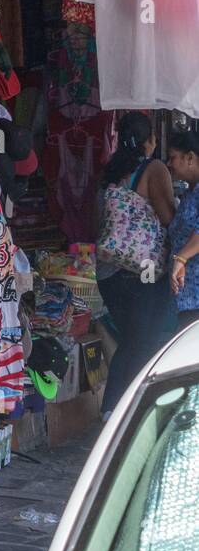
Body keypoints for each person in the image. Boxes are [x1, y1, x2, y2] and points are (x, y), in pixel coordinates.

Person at [97, 112, 177, 416]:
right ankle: (119, 412)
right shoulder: (153, 168)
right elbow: (168, 218)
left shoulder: (111, 171)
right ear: (151, 140)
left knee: (133, 339)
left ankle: (117, 410)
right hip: (140, 270)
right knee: (141, 341)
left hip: (108, 272)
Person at [166, 127, 199, 332]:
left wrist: (181, 258)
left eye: (173, 157)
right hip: (186, 298)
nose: (169, 164)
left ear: (190, 158)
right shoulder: (190, 193)